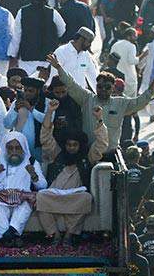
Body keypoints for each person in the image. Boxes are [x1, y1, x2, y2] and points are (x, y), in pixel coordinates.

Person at [48, 53, 154, 152]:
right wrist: (58, 67)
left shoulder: (121, 103)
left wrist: (152, 89)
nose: (103, 90)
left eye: (107, 87)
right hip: (89, 152)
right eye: (100, 86)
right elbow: (71, 84)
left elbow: (139, 102)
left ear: (113, 89)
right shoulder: (87, 98)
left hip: (111, 153)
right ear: (96, 87)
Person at [38, 102, 107, 245]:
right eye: (69, 145)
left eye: (75, 145)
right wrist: (50, 112)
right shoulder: (57, 153)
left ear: (80, 145)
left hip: (75, 196)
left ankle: (69, 235)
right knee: (40, 196)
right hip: (55, 195)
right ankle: (54, 234)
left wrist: (99, 119)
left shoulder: (87, 157)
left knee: (87, 198)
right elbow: (45, 137)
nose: (71, 148)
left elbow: (102, 144)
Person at [0, 132, 47, 247]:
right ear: (5, 149)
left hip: (22, 197)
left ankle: (9, 234)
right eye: (10, 148)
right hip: (0, 197)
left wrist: (34, 176)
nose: (14, 152)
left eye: (17, 148)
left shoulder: (31, 161)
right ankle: (14, 236)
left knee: (28, 203)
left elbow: (43, 186)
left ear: (23, 149)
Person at [8, 0, 66, 75]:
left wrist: (13, 55)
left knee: (28, 86)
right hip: (47, 59)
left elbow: (16, 37)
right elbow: (62, 30)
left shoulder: (22, 12)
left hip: (27, 57)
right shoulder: (52, 12)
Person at [49, 27, 99, 91]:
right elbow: (54, 76)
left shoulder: (86, 55)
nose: (90, 45)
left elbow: (93, 77)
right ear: (81, 39)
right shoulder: (61, 52)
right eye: (89, 42)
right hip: (63, 94)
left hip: (80, 96)